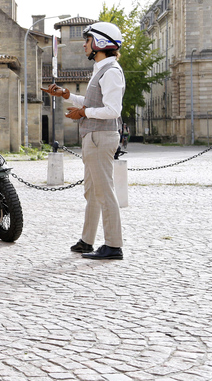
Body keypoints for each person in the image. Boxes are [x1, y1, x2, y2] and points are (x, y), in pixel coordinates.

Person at [43, 21, 126, 260]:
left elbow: (112, 110)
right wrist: (67, 95)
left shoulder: (111, 72)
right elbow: (93, 102)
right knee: (92, 191)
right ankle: (87, 240)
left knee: (104, 191)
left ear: (100, 43)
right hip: (93, 136)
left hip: (101, 137)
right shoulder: (102, 69)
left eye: (87, 40)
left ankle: (113, 245)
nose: (84, 44)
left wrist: (84, 113)